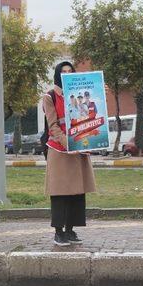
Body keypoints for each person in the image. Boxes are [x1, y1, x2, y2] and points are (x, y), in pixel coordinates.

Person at [43, 61, 96, 246]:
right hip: (60, 150)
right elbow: (53, 126)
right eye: (63, 71)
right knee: (60, 192)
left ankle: (71, 230)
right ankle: (59, 232)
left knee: (76, 191)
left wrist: (100, 89)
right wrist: (69, 143)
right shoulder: (50, 96)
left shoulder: (80, 93)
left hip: (79, 148)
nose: (66, 74)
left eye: (69, 71)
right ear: (57, 74)